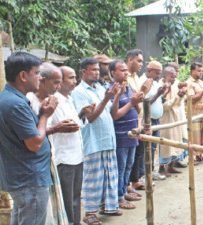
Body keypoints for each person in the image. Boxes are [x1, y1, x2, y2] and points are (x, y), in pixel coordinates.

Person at [0, 52, 57, 225]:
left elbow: (27, 133)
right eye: (36, 73)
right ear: (23, 76)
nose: (40, 77)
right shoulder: (15, 104)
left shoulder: (13, 99)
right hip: (29, 180)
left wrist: (39, 115)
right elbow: (35, 143)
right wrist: (44, 115)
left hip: (25, 177)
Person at [72, 58, 122, 225]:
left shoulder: (100, 88)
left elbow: (111, 113)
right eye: (92, 70)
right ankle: (89, 213)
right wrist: (107, 98)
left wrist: (116, 97)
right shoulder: (79, 92)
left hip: (107, 139)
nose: (96, 72)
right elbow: (90, 118)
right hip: (93, 142)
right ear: (84, 72)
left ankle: (107, 206)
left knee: (109, 176)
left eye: (97, 70)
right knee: (93, 178)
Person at [26, 62, 73, 224]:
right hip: (34, 165)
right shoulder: (28, 102)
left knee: (52, 209)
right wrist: (55, 128)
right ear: (43, 80)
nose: (59, 86)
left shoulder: (51, 100)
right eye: (56, 82)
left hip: (49, 159)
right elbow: (30, 137)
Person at [50, 66, 95, 225]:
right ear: (59, 82)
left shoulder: (68, 99)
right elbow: (66, 125)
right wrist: (76, 120)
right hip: (65, 158)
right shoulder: (55, 101)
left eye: (74, 77)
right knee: (68, 199)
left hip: (76, 156)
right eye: (70, 78)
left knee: (76, 196)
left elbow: (75, 124)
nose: (75, 81)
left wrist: (82, 114)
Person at [109, 60, 144, 210]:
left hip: (132, 135)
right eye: (122, 70)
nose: (126, 73)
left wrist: (138, 97)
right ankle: (118, 197)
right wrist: (131, 101)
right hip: (121, 137)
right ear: (113, 73)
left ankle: (124, 191)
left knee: (128, 166)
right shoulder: (111, 90)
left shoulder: (129, 87)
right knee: (121, 167)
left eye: (126, 70)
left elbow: (138, 110)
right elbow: (115, 115)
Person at [139, 61, 168, 179]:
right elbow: (145, 102)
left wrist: (164, 93)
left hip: (156, 120)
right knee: (145, 149)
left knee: (153, 149)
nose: (158, 76)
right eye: (157, 73)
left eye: (160, 73)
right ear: (149, 71)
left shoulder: (155, 83)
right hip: (147, 120)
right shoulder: (143, 83)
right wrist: (158, 94)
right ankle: (144, 175)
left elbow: (159, 100)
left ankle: (151, 172)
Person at [158, 67, 186, 176]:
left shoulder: (174, 87)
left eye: (175, 76)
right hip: (165, 119)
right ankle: (161, 168)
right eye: (171, 76)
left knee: (175, 141)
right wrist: (177, 98)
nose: (174, 78)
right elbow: (163, 107)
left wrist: (180, 96)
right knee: (164, 143)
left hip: (175, 117)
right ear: (164, 76)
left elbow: (177, 104)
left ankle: (171, 166)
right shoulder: (160, 87)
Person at [126, 49, 147, 191]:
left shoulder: (136, 77)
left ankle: (135, 180)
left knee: (138, 153)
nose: (141, 64)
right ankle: (127, 185)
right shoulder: (125, 77)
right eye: (139, 61)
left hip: (139, 120)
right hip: (129, 121)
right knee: (128, 156)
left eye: (141, 61)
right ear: (130, 60)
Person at [167, 62, 188, 168]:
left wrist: (182, 92)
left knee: (180, 136)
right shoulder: (166, 83)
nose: (176, 72)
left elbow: (183, 99)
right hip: (169, 114)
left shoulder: (178, 82)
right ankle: (166, 165)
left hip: (179, 112)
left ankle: (177, 160)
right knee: (169, 139)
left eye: (177, 70)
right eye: (174, 70)